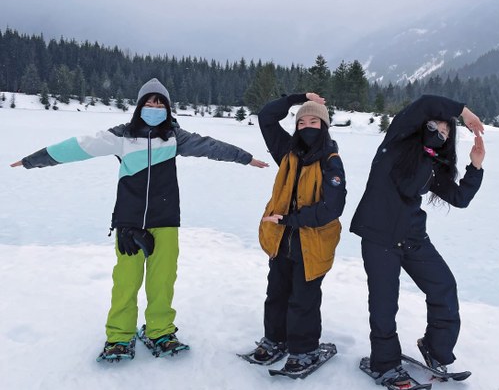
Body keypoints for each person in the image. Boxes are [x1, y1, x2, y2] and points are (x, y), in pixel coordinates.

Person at [11, 78, 268, 362]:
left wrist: (245, 158)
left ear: (168, 109)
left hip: (166, 219)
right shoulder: (121, 137)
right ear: (139, 105)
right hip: (129, 222)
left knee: (163, 279)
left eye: (160, 103)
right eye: (150, 101)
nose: (155, 106)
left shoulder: (174, 138)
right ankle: (119, 337)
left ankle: (159, 331)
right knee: (126, 280)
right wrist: (33, 160)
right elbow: (78, 147)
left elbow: (211, 147)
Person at [350, 94, 485, 390]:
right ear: (422, 125)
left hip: (412, 239)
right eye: (436, 127)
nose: (440, 133)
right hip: (379, 237)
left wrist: (475, 167)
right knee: (385, 304)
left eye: (446, 133)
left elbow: (460, 198)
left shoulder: (433, 164)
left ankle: (436, 350)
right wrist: (463, 111)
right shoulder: (396, 141)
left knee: (443, 286)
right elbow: (425, 103)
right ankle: (383, 363)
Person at [250, 92, 346, 373]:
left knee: (303, 299)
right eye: (301, 122)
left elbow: (333, 207)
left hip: (312, 241)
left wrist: (293, 219)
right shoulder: (287, 152)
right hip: (281, 238)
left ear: (324, 126)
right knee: (277, 293)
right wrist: (298, 97)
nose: (306, 127)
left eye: (313, 121)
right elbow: (266, 117)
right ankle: (275, 339)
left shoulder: (331, 161)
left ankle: (305, 349)